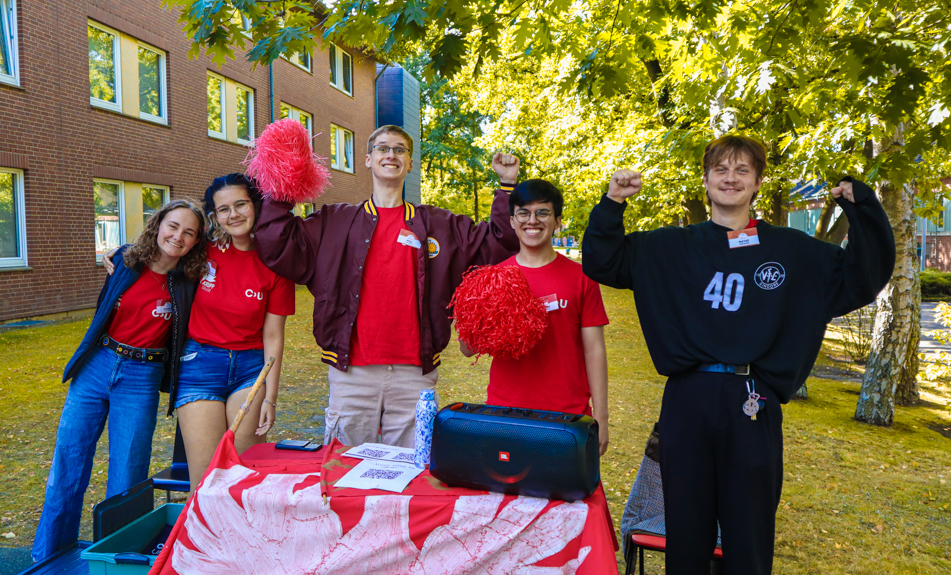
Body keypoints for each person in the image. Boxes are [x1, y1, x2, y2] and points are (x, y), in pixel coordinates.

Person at [582, 134, 895, 575]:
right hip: (688, 399)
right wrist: (613, 202)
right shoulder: (670, 247)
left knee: (748, 534)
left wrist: (861, 207)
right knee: (686, 533)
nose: (731, 178)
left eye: (742, 170)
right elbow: (602, 259)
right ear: (706, 180)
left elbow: (863, 275)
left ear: (758, 182)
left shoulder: (792, 250)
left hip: (754, 402)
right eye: (721, 170)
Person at [254, 125, 519, 448]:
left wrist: (507, 186)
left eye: (399, 149)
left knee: (411, 475)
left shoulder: (441, 225)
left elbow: (500, 242)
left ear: (410, 163)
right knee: (345, 473)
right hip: (352, 373)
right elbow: (278, 244)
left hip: (414, 374)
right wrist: (283, 182)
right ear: (367, 159)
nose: (390, 154)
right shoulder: (335, 222)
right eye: (382, 148)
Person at [32, 200, 206, 561]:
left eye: (189, 232)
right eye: (173, 226)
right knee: (69, 459)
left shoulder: (191, 280)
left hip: (141, 377)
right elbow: (120, 263)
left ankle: (115, 558)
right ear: (158, 225)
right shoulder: (126, 260)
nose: (178, 236)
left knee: (127, 474)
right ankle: (47, 554)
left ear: (195, 241)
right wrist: (115, 252)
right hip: (98, 364)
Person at [102, 174, 295, 487]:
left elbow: (273, 335)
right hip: (199, 364)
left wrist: (270, 398)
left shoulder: (275, 263)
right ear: (215, 216)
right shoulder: (202, 251)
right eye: (223, 209)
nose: (233, 214)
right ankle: (203, 536)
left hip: (250, 370)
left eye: (240, 204)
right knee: (205, 483)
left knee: (243, 478)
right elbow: (164, 248)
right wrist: (124, 252)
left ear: (255, 205)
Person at [460, 179, 609, 454]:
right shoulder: (494, 279)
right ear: (513, 220)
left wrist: (602, 416)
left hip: (567, 416)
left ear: (557, 221)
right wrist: (483, 311)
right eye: (524, 213)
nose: (533, 221)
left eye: (543, 213)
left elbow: (594, 351)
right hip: (505, 412)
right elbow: (467, 349)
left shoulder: (582, 277)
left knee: (565, 495)